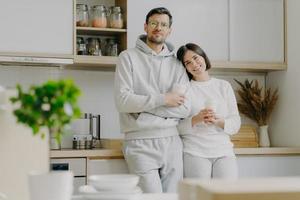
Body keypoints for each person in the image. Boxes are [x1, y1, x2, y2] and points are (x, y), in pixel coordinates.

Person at [114, 7, 190, 193]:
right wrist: (165, 98)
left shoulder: (177, 64)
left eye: (164, 24)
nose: (158, 28)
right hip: (139, 142)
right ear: (146, 26)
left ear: (169, 30)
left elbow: (184, 108)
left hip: (172, 141)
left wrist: (142, 108)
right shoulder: (127, 57)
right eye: (154, 23)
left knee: (173, 197)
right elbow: (123, 102)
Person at [176, 43, 241, 180]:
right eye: (188, 62)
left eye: (195, 57)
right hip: (195, 152)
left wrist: (219, 122)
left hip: (223, 151)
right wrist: (196, 119)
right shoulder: (184, 89)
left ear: (203, 56)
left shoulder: (223, 86)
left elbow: (235, 124)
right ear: (185, 68)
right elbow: (177, 128)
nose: (194, 64)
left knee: (227, 195)